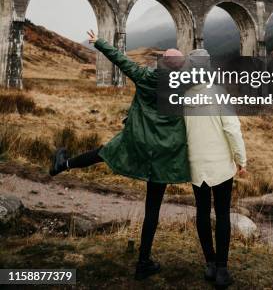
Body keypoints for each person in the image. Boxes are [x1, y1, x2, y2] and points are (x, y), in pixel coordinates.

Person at [49, 29, 190, 281]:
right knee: (153, 208)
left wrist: (99, 42)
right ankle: (143, 262)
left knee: (103, 152)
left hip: (137, 141)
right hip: (165, 152)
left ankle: (64, 164)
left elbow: (121, 60)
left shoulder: (146, 75)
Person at [183, 48, 247, 288]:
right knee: (222, 214)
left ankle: (210, 263)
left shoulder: (186, 96)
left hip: (196, 165)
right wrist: (241, 160)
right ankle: (222, 269)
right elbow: (232, 129)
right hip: (220, 166)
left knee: (201, 212)